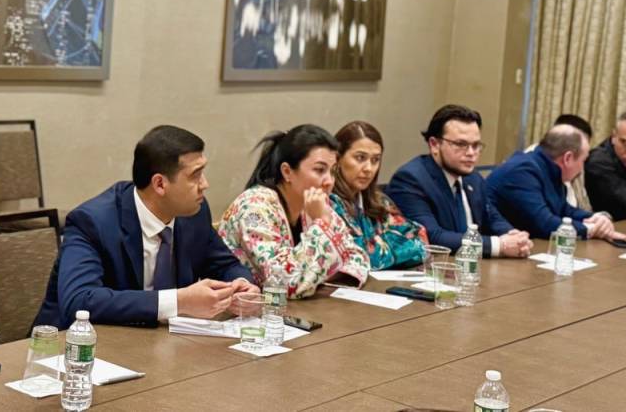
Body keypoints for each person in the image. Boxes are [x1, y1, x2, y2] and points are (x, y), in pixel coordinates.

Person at [34, 125, 257, 329]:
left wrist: (241, 286)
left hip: (160, 344)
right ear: (160, 184)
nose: (205, 184)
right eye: (195, 175)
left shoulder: (193, 213)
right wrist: (179, 301)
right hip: (73, 346)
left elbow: (225, 265)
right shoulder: (93, 222)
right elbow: (79, 300)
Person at [218, 125, 370, 298]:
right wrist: (321, 225)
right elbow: (284, 284)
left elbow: (358, 257)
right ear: (287, 172)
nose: (329, 181)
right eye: (319, 170)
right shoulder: (254, 208)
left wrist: (313, 276)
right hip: (243, 309)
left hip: (294, 307)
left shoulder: (315, 203)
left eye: (333, 171)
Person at [386, 105, 532, 258]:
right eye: (461, 144)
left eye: (476, 145)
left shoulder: (473, 178)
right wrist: (499, 245)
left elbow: (492, 219)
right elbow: (432, 237)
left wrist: (514, 237)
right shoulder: (410, 179)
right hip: (437, 267)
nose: (471, 153)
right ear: (434, 144)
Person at [487, 125, 625, 240]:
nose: (582, 168)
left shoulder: (549, 168)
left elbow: (564, 210)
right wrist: (592, 229)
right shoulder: (521, 171)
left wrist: (595, 218)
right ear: (568, 158)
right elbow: (545, 224)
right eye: (582, 161)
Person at [329, 121, 428, 270]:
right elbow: (358, 258)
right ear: (337, 158)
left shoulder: (379, 201)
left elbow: (421, 237)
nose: (369, 168)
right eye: (360, 158)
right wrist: (394, 244)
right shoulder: (328, 202)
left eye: (375, 160)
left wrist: (379, 248)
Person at [525, 114, 594, 211]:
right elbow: (542, 215)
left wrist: (595, 217)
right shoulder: (530, 165)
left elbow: (580, 205)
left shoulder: (577, 158)